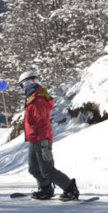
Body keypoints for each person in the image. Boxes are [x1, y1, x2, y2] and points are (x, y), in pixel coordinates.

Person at [19, 71, 79, 201]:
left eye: (22, 85)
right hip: (34, 140)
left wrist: (45, 143)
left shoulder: (37, 101)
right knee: (34, 169)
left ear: (29, 82)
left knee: (47, 170)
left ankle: (70, 189)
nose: (23, 89)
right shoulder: (32, 99)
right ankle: (46, 189)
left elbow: (43, 124)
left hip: (41, 141)